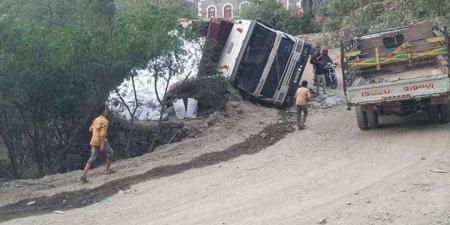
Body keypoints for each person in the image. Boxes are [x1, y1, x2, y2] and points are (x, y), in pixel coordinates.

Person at [80, 105, 115, 183]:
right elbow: (103, 134)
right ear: (103, 112)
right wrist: (102, 144)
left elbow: (90, 129)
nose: (107, 111)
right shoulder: (105, 121)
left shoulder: (95, 119)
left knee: (92, 157)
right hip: (101, 141)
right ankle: (107, 170)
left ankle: (84, 175)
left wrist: (96, 130)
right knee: (110, 152)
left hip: (93, 141)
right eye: (106, 110)